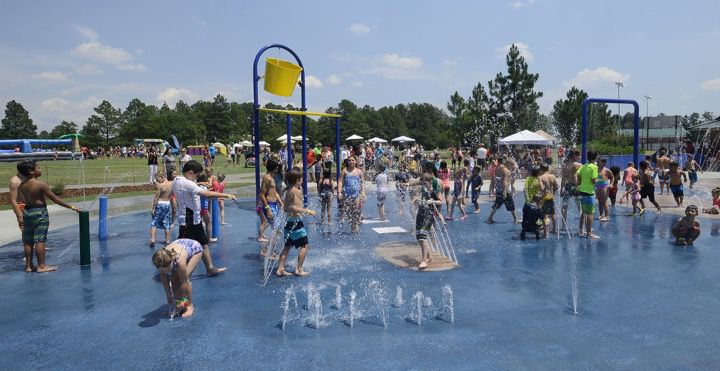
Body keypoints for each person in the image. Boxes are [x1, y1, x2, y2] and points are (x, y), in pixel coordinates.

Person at [172, 160, 235, 276]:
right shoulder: (188, 183)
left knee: (204, 244)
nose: (196, 178)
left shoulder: (177, 180)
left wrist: (200, 185)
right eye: (196, 175)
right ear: (191, 172)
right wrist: (226, 195)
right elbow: (207, 194)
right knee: (182, 247)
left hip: (194, 219)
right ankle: (178, 273)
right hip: (188, 220)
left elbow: (188, 188)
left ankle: (210, 268)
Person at [16, 160, 81, 272]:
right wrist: (72, 207)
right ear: (31, 171)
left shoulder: (21, 185)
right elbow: (55, 199)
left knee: (28, 241)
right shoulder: (40, 184)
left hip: (27, 212)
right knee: (40, 240)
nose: (40, 169)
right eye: (38, 167)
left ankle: (29, 266)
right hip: (39, 213)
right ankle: (42, 266)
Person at [152, 239, 205, 318]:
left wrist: (180, 300)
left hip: (195, 248)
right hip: (179, 245)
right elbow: (164, 278)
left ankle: (189, 306)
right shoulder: (160, 261)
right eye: (161, 270)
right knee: (174, 279)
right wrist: (168, 294)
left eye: (166, 270)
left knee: (185, 278)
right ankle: (180, 304)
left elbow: (184, 283)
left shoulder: (179, 262)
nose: (164, 272)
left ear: (170, 264)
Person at [276, 170, 316, 277]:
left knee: (287, 246)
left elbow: (285, 208)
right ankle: (299, 269)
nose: (303, 180)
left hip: (288, 222)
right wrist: (307, 211)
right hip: (296, 223)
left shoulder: (288, 190)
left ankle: (280, 269)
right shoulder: (296, 192)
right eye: (301, 179)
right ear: (297, 180)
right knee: (304, 245)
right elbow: (295, 207)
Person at [413, 174, 442, 269]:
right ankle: (430, 256)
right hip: (420, 215)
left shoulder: (433, 192)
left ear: (430, 182)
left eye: (425, 182)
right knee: (419, 237)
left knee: (422, 237)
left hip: (428, 216)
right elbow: (421, 200)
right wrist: (417, 200)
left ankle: (424, 260)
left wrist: (432, 201)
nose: (423, 183)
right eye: (422, 182)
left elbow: (440, 202)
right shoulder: (423, 190)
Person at [486, 156, 519, 224]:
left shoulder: (498, 168)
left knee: (497, 204)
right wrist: (504, 191)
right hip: (505, 191)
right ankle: (515, 219)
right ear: (508, 163)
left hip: (499, 189)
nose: (512, 166)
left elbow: (499, 178)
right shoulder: (506, 170)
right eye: (512, 165)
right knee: (511, 205)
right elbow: (505, 181)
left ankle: (490, 217)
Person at [258, 158, 283, 243]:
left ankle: (268, 251)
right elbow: (261, 194)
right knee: (276, 229)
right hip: (269, 205)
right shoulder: (267, 178)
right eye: (277, 167)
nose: (278, 168)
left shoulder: (272, 178)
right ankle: (268, 251)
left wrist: (281, 203)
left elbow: (274, 192)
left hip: (274, 205)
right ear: (274, 168)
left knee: (277, 229)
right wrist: (267, 208)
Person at [337, 156, 364, 234]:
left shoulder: (359, 171)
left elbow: (362, 183)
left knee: (355, 211)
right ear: (347, 162)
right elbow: (340, 182)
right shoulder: (344, 171)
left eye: (353, 160)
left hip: (356, 195)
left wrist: (363, 192)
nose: (351, 161)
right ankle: (352, 224)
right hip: (347, 195)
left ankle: (354, 226)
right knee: (348, 211)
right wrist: (339, 192)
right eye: (349, 160)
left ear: (355, 162)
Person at [149, 172, 176, 247]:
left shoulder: (159, 185)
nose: (156, 180)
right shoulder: (171, 184)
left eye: (157, 178)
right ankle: (167, 240)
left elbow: (156, 198)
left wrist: (153, 208)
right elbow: (172, 195)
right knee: (167, 223)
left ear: (162, 177)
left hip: (160, 203)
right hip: (167, 204)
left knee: (154, 222)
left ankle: (152, 239)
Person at [576, 150, 599, 239]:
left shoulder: (584, 166)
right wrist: (598, 180)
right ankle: (589, 233)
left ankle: (581, 231)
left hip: (582, 191)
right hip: (589, 193)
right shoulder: (594, 167)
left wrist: (578, 183)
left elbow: (577, 174)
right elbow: (594, 180)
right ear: (595, 157)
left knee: (583, 213)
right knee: (590, 213)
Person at [560, 150, 582, 230]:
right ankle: (584, 226)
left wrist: (561, 189)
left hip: (567, 186)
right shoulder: (578, 165)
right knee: (580, 207)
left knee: (564, 206)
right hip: (575, 187)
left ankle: (563, 225)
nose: (580, 157)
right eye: (579, 155)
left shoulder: (564, 165)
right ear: (574, 156)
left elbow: (563, 178)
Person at [537, 163, 559, 236]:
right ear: (548, 169)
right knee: (553, 214)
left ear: (541, 170)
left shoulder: (540, 177)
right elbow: (556, 187)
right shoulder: (552, 176)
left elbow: (542, 188)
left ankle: (546, 233)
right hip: (551, 197)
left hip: (544, 198)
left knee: (544, 215)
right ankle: (554, 229)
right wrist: (553, 194)